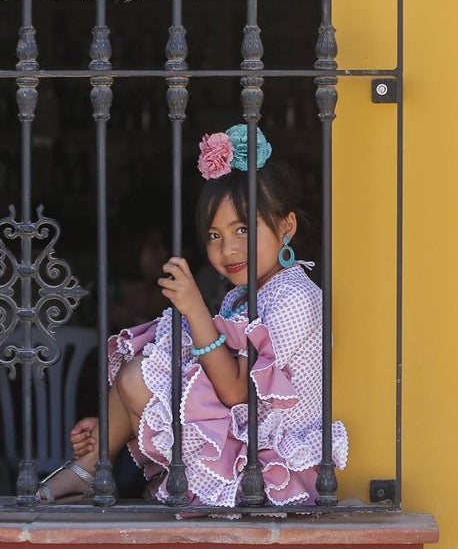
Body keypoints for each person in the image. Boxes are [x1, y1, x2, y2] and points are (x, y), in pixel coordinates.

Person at [35, 125, 349, 506]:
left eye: (243, 229)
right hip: (239, 437)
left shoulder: (295, 297)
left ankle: (91, 466)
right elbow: (200, 376)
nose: (228, 249)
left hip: (264, 465)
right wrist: (113, 424)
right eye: (214, 236)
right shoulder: (244, 297)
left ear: (287, 227)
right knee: (150, 359)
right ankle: (94, 458)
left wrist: (196, 308)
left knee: (141, 374)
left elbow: (234, 391)